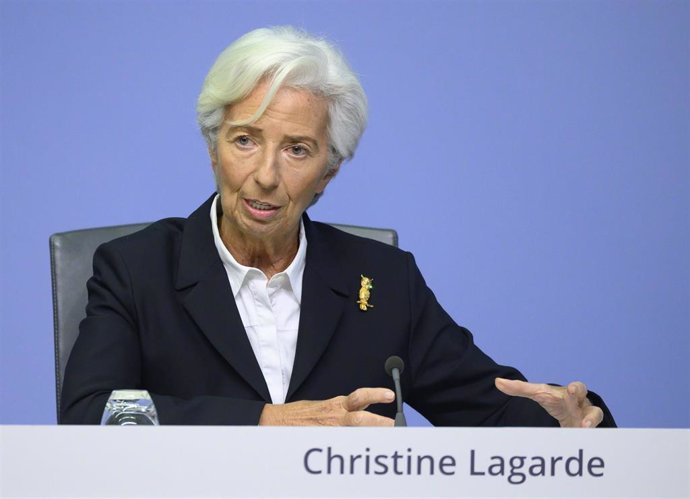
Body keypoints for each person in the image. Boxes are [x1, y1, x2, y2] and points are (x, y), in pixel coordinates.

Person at [61, 26, 615, 427]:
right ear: (214, 148)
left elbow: (488, 407)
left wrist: (571, 423)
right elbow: (90, 414)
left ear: (329, 171)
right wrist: (265, 423)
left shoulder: (384, 280)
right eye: (246, 140)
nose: (265, 175)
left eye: (297, 150)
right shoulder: (136, 268)